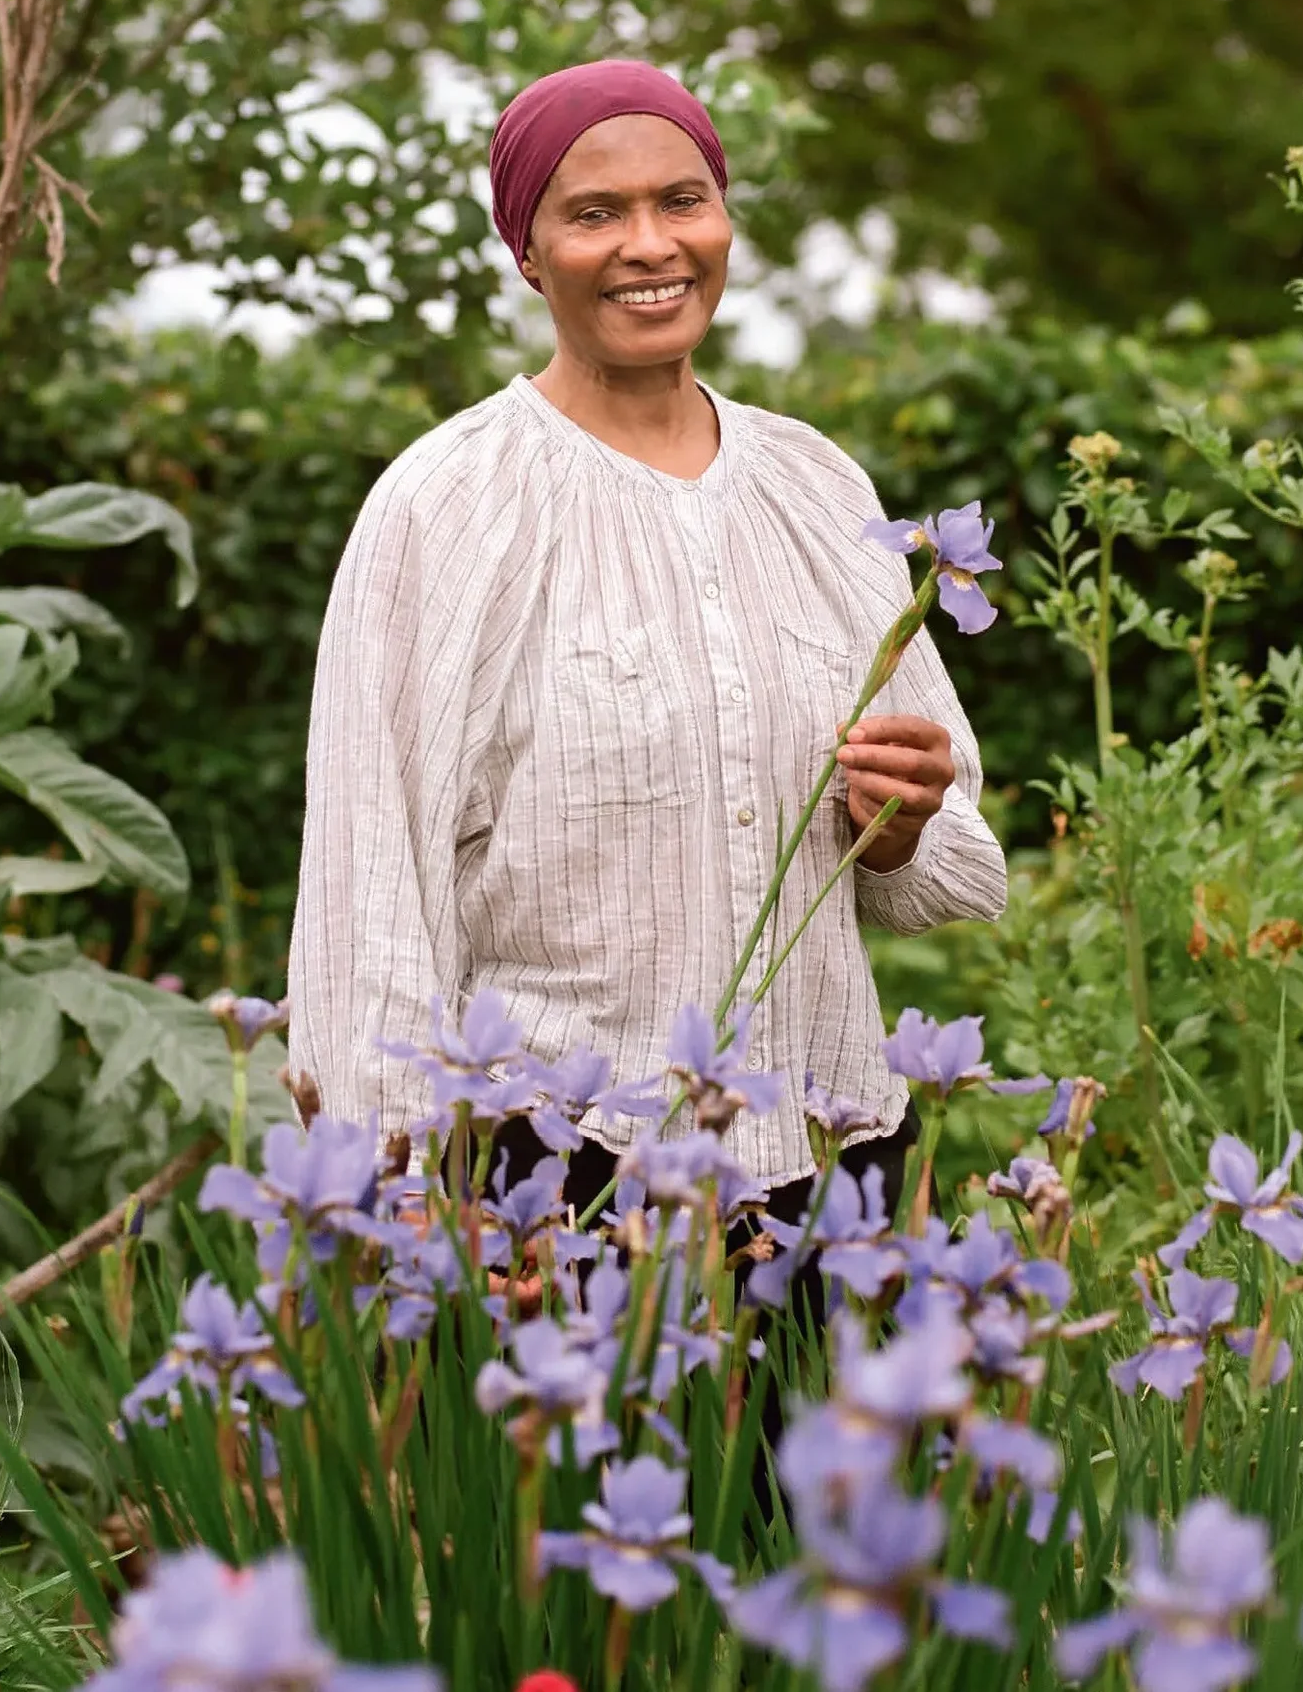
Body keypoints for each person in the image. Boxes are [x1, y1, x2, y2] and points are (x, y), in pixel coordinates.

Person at [287, 59, 1006, 1215]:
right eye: (593, 214)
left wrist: (900, 820)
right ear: (527, 253)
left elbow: (932, 849)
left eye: (681, 201)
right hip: (553, 1185)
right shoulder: (445, 507)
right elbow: (370, 889)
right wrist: (384, 1204)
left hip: (822, 1167)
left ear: (723, 219)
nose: (649, 244)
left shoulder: (817, 486)